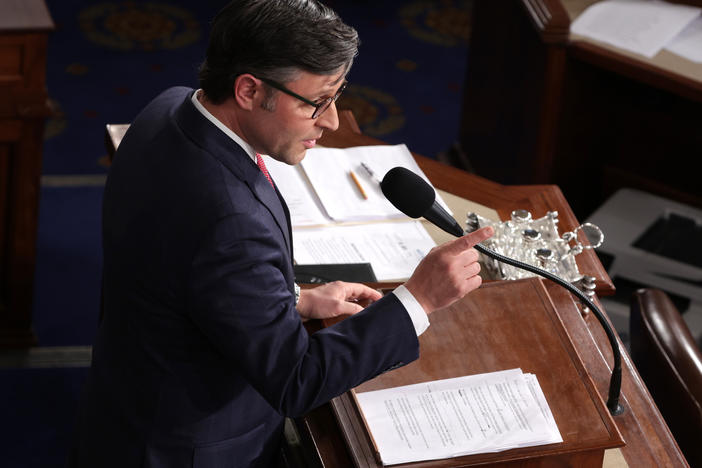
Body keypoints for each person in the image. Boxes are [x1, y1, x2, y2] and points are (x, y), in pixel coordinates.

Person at [68, 1, 493, 467]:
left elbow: (180, 268)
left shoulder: (168, 107)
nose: (331, 121)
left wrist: (288, 300)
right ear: (249, 90)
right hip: (186, 448)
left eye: (337, 94)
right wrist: (419, 299)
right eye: (316, 102)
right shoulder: (229, 222)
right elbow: (295, 381)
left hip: (127, 396)